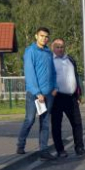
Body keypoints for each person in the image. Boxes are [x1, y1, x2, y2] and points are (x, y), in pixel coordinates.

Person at [16, 26, 57, 160]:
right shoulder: (30, 52)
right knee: (30, 120)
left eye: (46, 37)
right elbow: (30, 74)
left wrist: (55, 87)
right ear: (36, 36)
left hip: (48, 94)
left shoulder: (49, 53)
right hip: (34, 94)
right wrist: (37, 92)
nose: (44, 39)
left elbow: (53, 72)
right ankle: (21, 145)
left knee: (45, 123)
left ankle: (43, 150)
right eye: (41, 36)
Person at [51, 38, 85, 157]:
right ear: (52, 47)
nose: (60, 48)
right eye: (57, 46)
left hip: (71, 97)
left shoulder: (70, 60)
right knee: (57, 125)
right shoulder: (49, 61)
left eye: (62, 46)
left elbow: (76, 77)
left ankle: (80, 148)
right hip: (56, 97)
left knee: (77, 123)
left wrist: (79, 94)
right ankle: (60, 150)